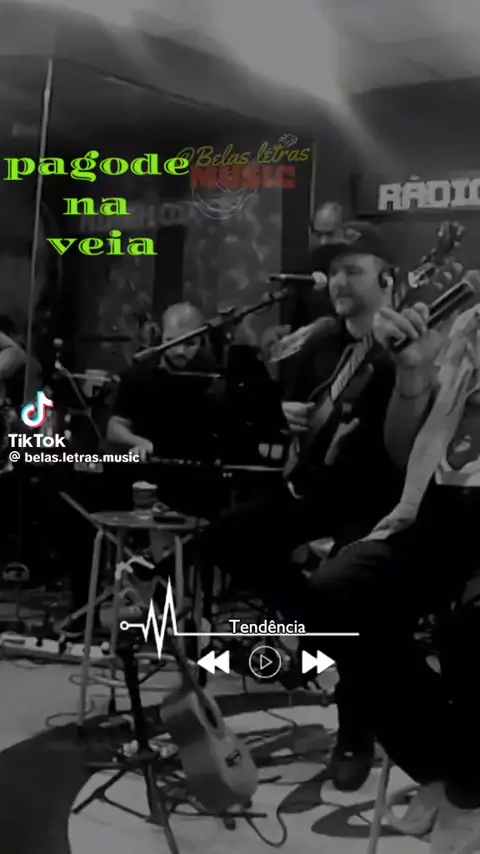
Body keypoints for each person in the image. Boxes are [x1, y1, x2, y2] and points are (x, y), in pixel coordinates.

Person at [169, 222, 405, 791]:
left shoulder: (400, 343)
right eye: (335, 271)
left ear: (388, 279)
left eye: (354, 270)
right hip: (313, 490)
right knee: (225, 537)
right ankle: (314, 632)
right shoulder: (320, 342)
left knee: (348, 591)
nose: (339, 281)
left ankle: (355, 733)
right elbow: (292, 410)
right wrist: (288, 416)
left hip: (375, 502)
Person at [291, 294, 480, 853]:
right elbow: (404, 451)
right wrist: (413, 375)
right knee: (332, 597)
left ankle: (468, 790)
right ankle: (445, 767)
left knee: (468, 634)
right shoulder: (469, 326)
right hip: (443, 512)